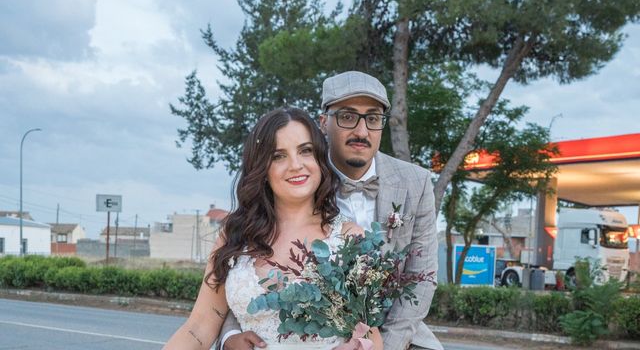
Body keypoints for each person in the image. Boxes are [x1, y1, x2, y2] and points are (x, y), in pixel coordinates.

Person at [221, 71, 442, 350]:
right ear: (324, 123)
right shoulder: (301, 174)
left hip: (401, 335)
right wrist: (230, 335)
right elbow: (247, 267)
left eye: (372, 118)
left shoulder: (416, 182)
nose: (362, 132)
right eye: (348, 117)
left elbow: (423, 278)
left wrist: (380, 346)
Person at [164, 107, 383, 350]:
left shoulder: (351, 239)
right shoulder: (235, 236)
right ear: (262, 168)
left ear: (320, 159)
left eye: (305, 151)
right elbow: (199, 327)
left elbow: (371, 335)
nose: (295, 165)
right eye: (279, 156)